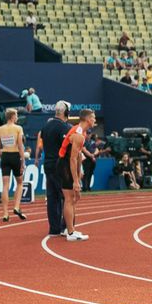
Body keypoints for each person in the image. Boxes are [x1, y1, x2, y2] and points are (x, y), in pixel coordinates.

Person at [39, 100, 73, 239]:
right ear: (66, 113)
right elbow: (66, 149)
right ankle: (66, 227)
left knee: (52, 197)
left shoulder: (45, 127)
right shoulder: (64, 128)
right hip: (60, 165)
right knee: (67, 197)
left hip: (47, 164)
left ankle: (54, 228)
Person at [59, 110, 94, 240]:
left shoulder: (82, 132)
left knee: (73, 198)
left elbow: (78, 156)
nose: (95, 121)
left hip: (68, 165)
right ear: (88, 119)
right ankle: (70, 233)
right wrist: (75, 181)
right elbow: (72, 158)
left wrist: (78, 176)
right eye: (93, 118)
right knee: (69, 198)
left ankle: (71, 230)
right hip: (65, 165)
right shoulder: (78, 134)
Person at [0, 107, 28, 223]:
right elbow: (20, 145)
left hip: (5, 157)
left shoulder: (0, 129)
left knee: (5, 185)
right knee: (19, 182)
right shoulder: (18, 128)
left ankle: (5, 214)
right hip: (15, 156)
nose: (17, 117)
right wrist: (23, 161)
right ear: (13, 117)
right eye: (17, 115)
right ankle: (16, 206)